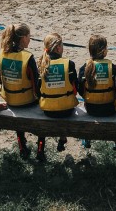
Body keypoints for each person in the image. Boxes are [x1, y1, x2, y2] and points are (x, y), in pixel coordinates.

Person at [0, 23, 38, 159]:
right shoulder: (28, 57)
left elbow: (0, 79)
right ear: (22, 38)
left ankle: (21, 145)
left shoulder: (3, 53)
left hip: (9, 100)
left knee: (18, 116)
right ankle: (40, 149)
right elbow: (36, 86)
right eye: (29, 36)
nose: (30, 39)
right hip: (27, 101)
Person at [36, 32, 76, 161]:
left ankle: (40, 148)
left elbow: (37, 90)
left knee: (46, 113)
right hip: (67, 110)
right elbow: (75, 90)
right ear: (58, 48)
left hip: (47, 110)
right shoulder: (69, 64)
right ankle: (62, 138)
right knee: (62, 105)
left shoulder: (41, 64)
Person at [79, 34, 116, 150]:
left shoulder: (85, 67)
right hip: (109, 108)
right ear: (104, 50)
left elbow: (80, 88)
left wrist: (87, 96)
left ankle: (87, 139)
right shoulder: (112, 67)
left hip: (91, 108)